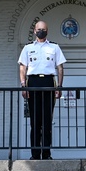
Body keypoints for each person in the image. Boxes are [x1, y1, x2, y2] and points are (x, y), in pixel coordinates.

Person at [18, 20, 66, 160]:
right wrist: (23, 85)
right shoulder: (27, 48)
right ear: (34, 31)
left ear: (47, 31)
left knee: (46, 120)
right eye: (39, 29)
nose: (41, 31)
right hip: (32, 82)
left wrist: (59, 86)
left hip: (48, 81)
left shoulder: (54, 47)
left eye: (43, 29)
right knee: (34, 121)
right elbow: (22, 67)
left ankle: (46, 153)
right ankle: (34, 154)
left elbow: (60, 67)